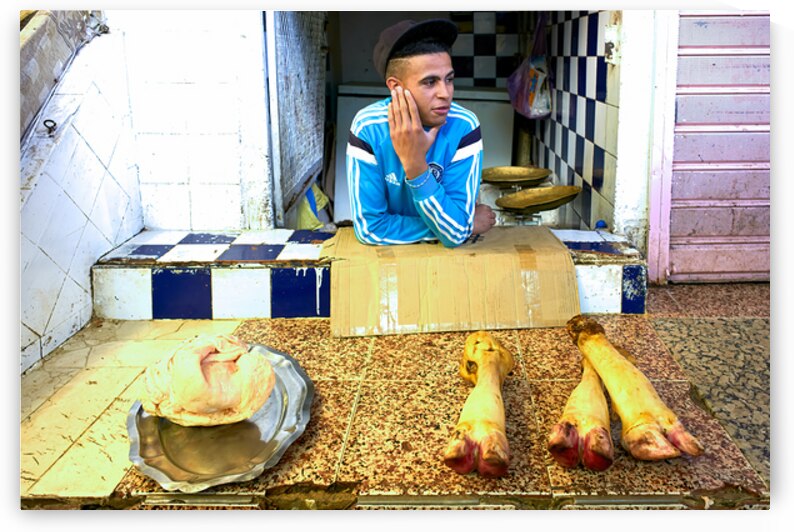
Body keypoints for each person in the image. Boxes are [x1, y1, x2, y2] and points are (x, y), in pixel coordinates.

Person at [346, 18, 496, 247]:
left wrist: (415, 165)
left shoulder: (463, 126)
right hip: (388, 267)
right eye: (429, 82)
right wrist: (463, 226)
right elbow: (370, 229)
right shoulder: (368, 129)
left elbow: (455, 233)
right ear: (396, 87)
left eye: (449, 79)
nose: (445, 93)